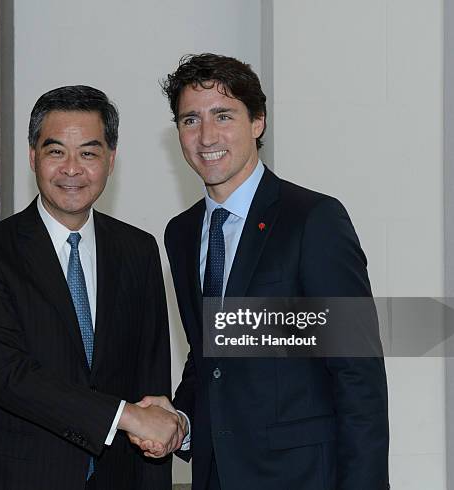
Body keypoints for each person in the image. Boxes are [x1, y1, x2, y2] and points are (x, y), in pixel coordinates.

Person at [135, 54, 390, 489]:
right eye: (190, 120)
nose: (206, 135)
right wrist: (181, 421)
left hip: (303, 478)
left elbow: (358, 377)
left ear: (257, 123)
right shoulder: (180, 234)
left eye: (223, 115)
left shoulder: (314, 220)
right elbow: (211, 358)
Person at [0, 85, 183, 490]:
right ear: (33, 157)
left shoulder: (138, 249)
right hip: (16, 476)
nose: (72, 169)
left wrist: (155, 442)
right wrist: (124, 416)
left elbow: (151, 374)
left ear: (111, 161)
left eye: (89, 153)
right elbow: (9, 375)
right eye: (56, 151)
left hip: (118, 476)